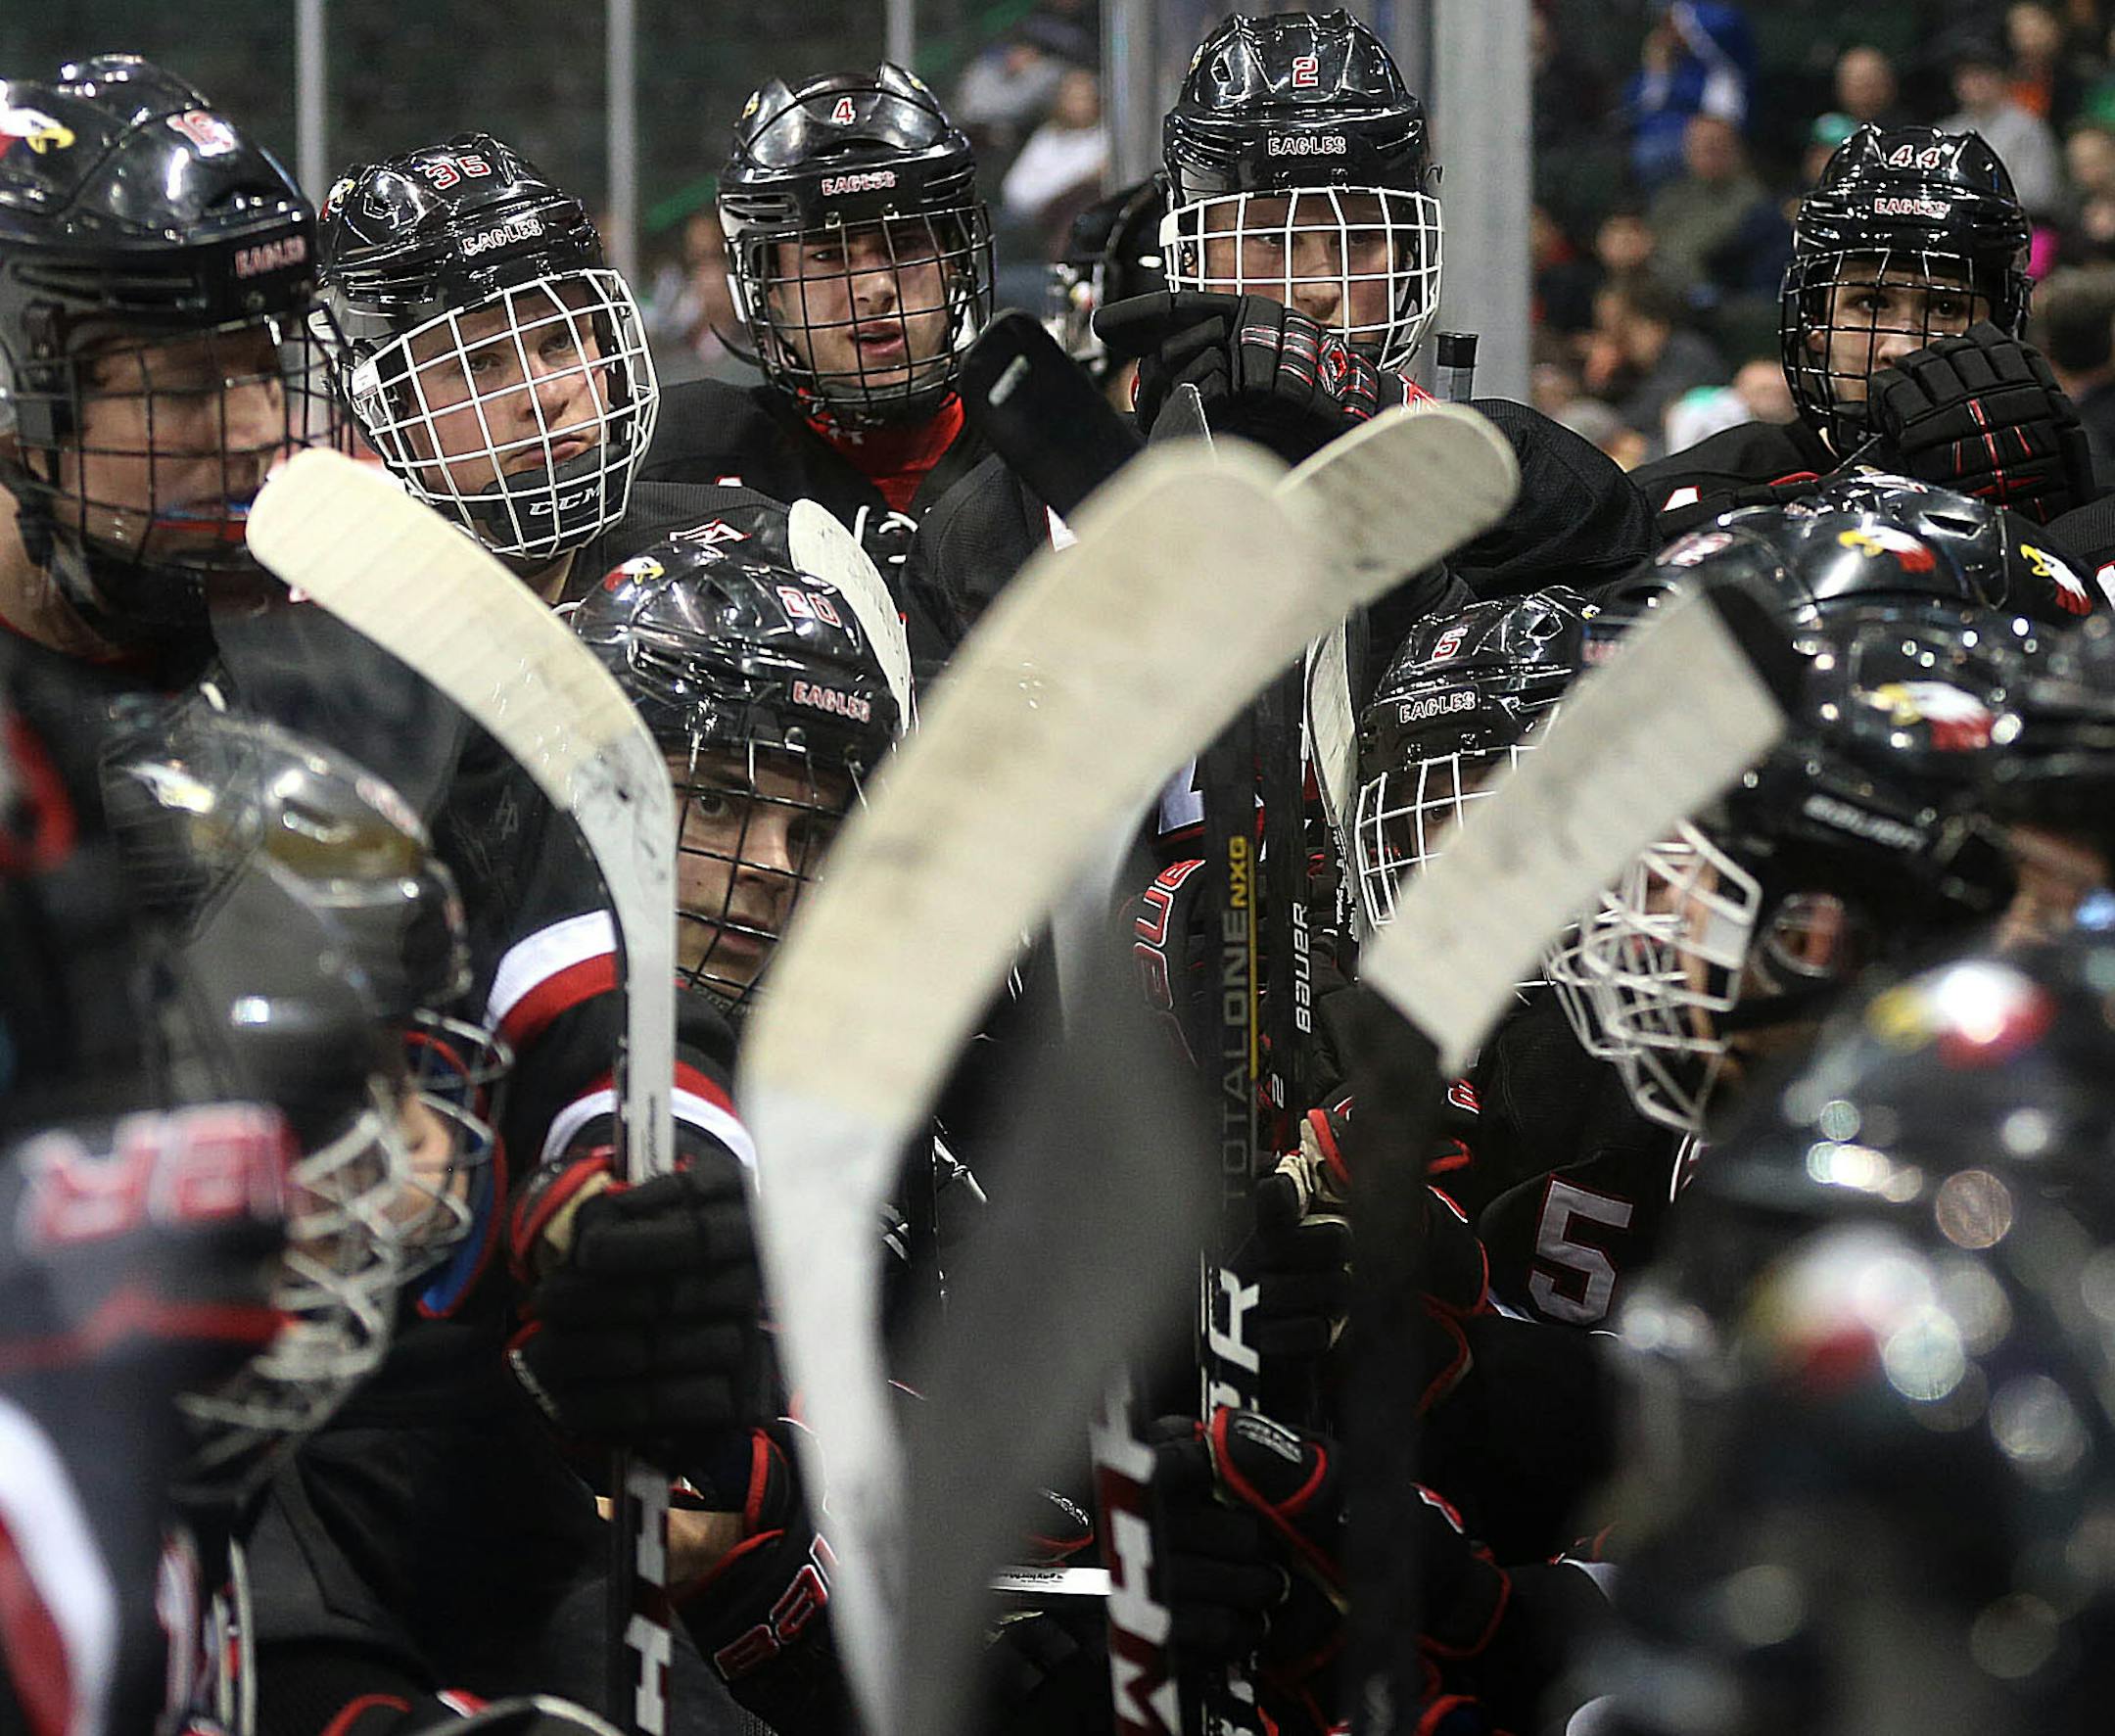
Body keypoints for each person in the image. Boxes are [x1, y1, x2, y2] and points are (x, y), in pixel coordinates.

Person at [920, 9, 1655, 679]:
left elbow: (1623, 547)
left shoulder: (1514, 490)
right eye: (1270, 236)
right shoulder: (1022, 510)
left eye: (1360, 235)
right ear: (1192, 252)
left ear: (1411, 251)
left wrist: (1390, 420)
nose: (1316, 287)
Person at [313, 131, 781, 610]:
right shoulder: (342, 631)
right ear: (385, 401)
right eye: (479, 364)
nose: (545, 395)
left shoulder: (758, 555)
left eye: (559, 341)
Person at [0, 55, 330, 672]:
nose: (260, 431)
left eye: (266, 370)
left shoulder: (322, 654)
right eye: (185, 388)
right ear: (13, 410)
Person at [639, 64, 996, 609]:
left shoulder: (1048, 458)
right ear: (769, 289)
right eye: (828, 255)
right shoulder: (680, 461)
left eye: (902, 244)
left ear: (956, 262)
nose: (874, 289)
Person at [1632, 123, 2097, 536]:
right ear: (1816, 324)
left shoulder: (2075, 498)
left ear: (1999, 331)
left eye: (1946, 307)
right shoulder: (1700, 492)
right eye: (1870, 302)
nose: (1901, 346)